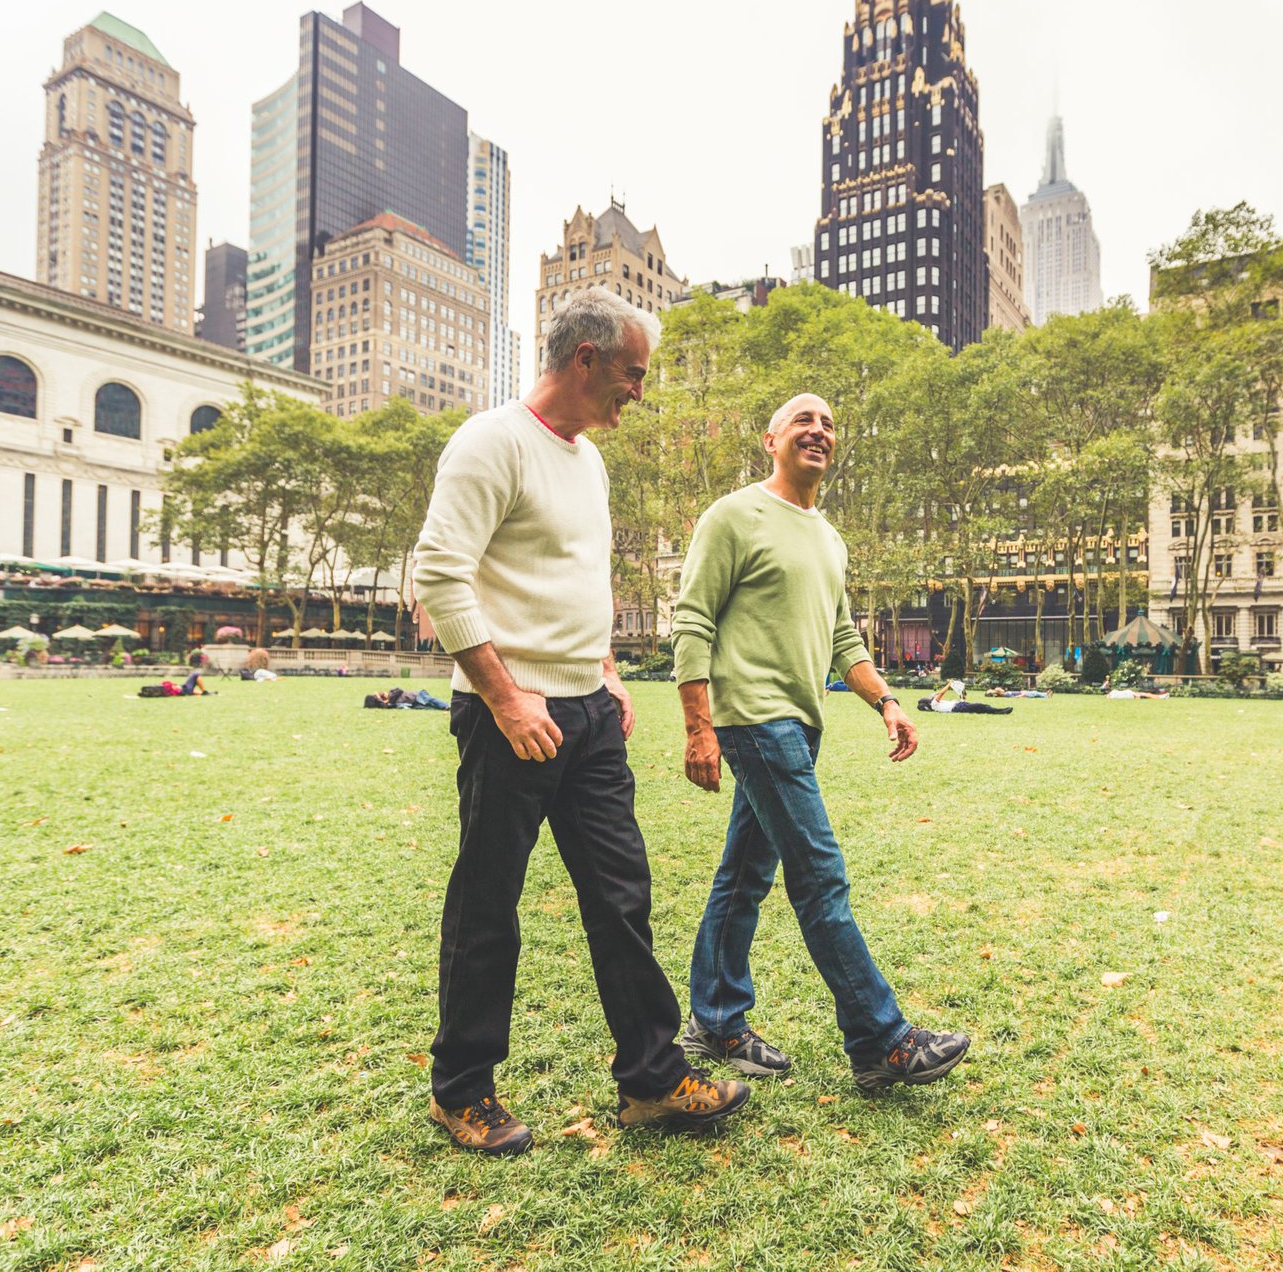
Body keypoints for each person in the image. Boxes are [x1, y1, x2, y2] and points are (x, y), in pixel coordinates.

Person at [412, 287, 747, 1154]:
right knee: (489, 904)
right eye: (633, 374)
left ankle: (653, 1078)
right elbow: (440, 578)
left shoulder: (589, 461)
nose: (640, 391)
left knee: (620, 896)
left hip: (590, 716)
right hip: (510, 716)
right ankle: (463, 1090)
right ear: (586, 359)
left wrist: (601, 669)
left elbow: (579, 579)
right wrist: (506, 696)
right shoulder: (490, 443)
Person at [674, 392, 971, 1093]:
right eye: (803, 420)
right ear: (771, 439)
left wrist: (887, 703)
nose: (818, 430)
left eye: (829, 424)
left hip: (803, 725)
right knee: (820, 876)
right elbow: (692, 621)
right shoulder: (734, 516)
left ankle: (715, 1020)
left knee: (745, 874)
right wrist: (697, 727)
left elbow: (844, 638)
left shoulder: (829, 537)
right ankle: (882, 1041)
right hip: (755, 718)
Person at [918, 680, 1012, 715]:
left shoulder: (937, 705)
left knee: (980, 708)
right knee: (981, 706)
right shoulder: (934, 704)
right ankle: (1001, 711)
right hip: (958, 707)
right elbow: (941, 693)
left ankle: (1000, 711)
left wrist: (962, 696)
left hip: (959, 706)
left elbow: (940, 695)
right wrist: (949, 684)